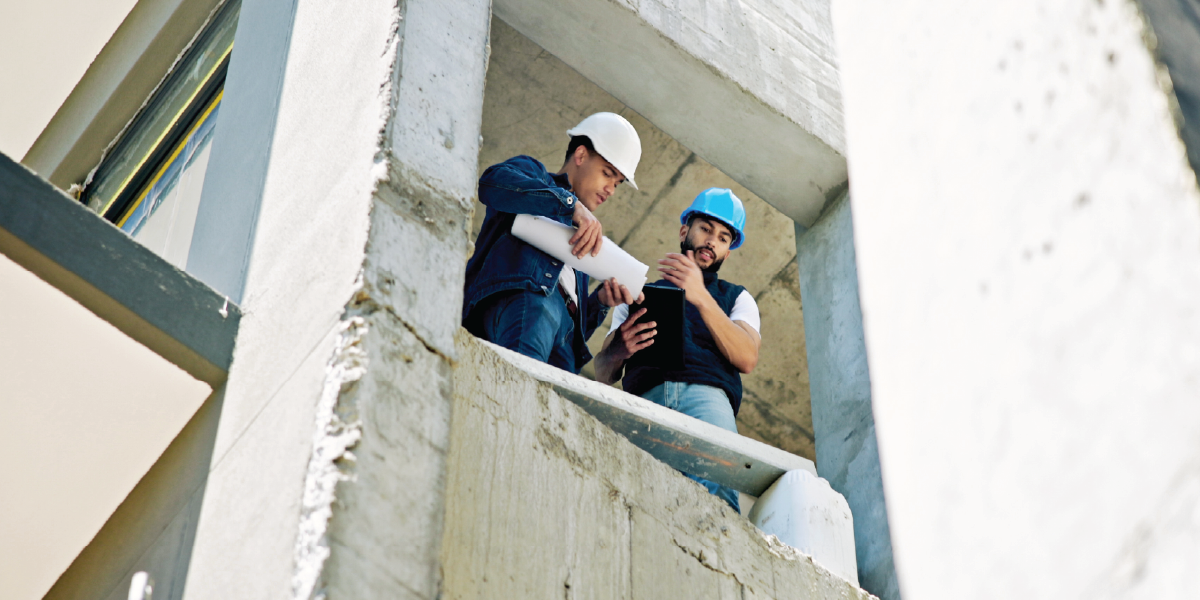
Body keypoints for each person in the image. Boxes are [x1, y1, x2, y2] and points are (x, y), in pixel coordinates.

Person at [594, 188, 761, 512]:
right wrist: (619, 350)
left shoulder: (737, 298)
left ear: (728, 250)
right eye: (706, 229)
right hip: (644, 401)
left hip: (707, 400)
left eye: (724, 237)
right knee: (638, 501)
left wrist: (699, 295)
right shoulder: (639, 291)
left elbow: (747, 357)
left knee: (717, 498)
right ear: (685, 230)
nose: (713, 241)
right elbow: (602, 373)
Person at [463, 112, 644, 374]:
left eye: (617, 183)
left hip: (562, 341)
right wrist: (568, 204)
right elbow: (492, 182)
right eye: (607, 174)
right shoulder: (535, 176)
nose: (611, 190)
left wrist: (601, 301)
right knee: (520, 388)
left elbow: (573, 326)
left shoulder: (583, 237)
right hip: (531, 303)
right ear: (581, 156)